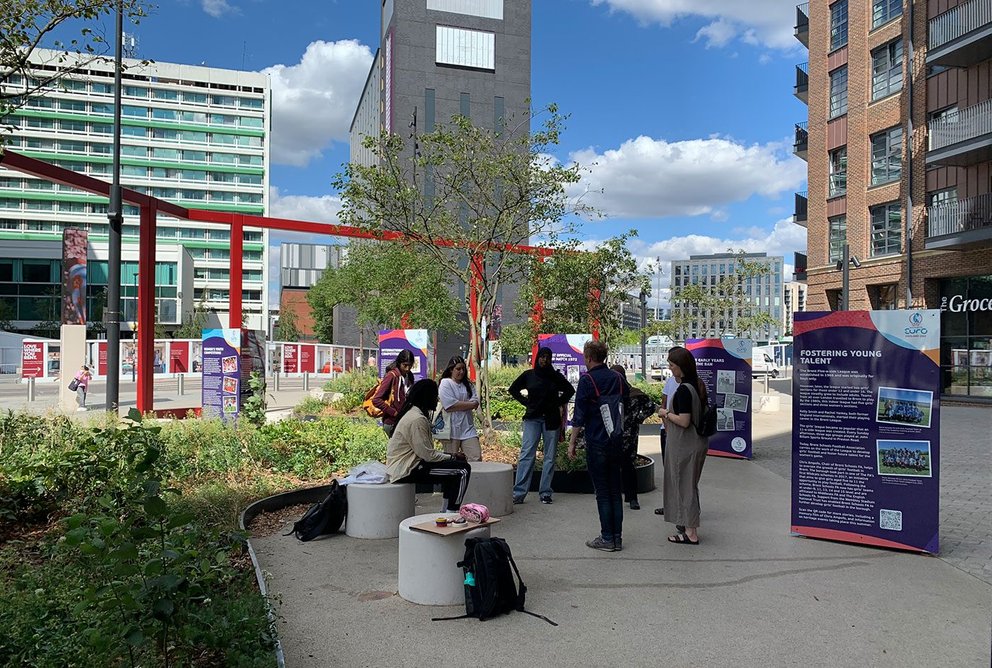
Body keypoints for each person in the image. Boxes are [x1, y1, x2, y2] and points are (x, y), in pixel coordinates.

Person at [568, 339, 629, 552]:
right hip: (616, 440)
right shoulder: (618, 378)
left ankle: (606, 538)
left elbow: (579, 416)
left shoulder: (587, 381)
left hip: (597, 441)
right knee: (615, 491)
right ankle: (617, 538)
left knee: (602, 492)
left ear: (589, 357)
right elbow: (626, 404)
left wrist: (572, 443)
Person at [386, 379, 471, 511]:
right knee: (462, 470)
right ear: (426, 397)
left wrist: (451, 457)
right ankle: (452, 512)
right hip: (408, 470)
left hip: (411, 465)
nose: (437, 399)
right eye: (434, 395)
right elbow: (428, 455)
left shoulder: (413, 413)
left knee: (452, 472)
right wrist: (453, 457)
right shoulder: (417, 419)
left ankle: (446, 511)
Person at [508, 346, 575, 505]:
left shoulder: (555, 376)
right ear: (537, 358)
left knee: (549, 457)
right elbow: (514, 389)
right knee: (527, 454)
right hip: (533, 418)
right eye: (542, 356)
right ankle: (519, 492)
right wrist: (527, 403)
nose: (544, 359)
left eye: (547, 357)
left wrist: (556, 403)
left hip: (551, 420)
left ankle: (545, 492)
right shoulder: (529, 375)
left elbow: (569, 390)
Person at [658, 346, 709, 545]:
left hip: (684, 445)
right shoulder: (696, 384)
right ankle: (689, 528)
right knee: (689, 486)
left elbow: (684, 421)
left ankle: (690, 532)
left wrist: (665, 414)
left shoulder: (683, 391)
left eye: (672, 365)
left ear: (680, 367)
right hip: (695, 443)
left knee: (684, 486)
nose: (670, 368)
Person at [610, 365, 656, 510]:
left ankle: (632, 498)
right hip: (613, 435)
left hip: (629, 436)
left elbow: (650, 406)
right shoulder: (610, 393)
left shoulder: (634, 393)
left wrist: (638, 418)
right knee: (613, 467)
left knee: (628, 466)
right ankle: (615, 496)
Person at [437, 355, 482, 461]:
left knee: (476, 456)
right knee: (451, 460)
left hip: (468, 428)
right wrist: (468, 405)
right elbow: (449, 405)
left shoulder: (468, 385)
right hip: (451, 430)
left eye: (463, 369)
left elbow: (476, 402)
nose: (461, 372)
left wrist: (459, 404)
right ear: (451, 369)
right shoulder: (445, 383)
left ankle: (474, 477)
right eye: (458, 369)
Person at [654, 348, 680, 516]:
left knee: (682, 472)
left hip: (682, 434)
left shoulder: (693, 383)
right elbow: (663, 406)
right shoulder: (670, 382)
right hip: (667, 431)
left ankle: (683, 507)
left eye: (672, 363)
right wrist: (667, 427)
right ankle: (670, 504)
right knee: (668, 469)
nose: (669, 367)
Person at [372, 350, 415, 437]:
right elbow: (376, 400)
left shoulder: (409, 376)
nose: (407, 368)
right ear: (399, 363)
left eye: (410, 365)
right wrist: (394, 413)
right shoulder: (391, 376)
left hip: (403, 421)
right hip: (392, 422)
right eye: (405, 365)